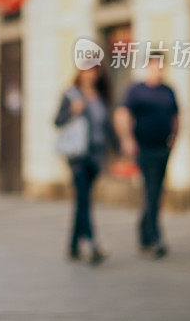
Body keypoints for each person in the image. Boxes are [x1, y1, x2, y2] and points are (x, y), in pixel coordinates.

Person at [114, 51, 179, 259]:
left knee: (156, 190)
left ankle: (144, 232)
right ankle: (154, 238)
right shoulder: (137, 90)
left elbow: (176, 117)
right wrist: (127, 140)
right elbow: (122, 114)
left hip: (163, 147)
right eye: (154, 65)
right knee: (152, 190)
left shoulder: (168, 91)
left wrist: (174, 141)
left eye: (161, 65)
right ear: (148, 66)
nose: (158, 69)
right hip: (144, 147)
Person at [54, 65, 117, 265]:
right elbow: (57, 121)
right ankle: (91, 243)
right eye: (86, 70)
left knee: (83, 200)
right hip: (77, 155)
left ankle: (73, 245)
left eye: (94, 71)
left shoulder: (100, 96)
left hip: (96, 155)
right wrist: (72, 111)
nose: (90, 74)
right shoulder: (71, 95)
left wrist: (118, 149)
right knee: (83, 198)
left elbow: (107, 126)